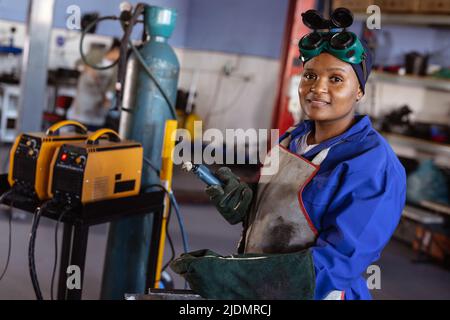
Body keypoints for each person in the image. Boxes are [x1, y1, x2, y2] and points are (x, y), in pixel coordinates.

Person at [170, 10, 406, 300]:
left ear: (359, 91)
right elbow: (287, 211)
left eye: (336, 79)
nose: (317, 87)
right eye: (310, 75)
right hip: (264, 288)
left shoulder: (372, 164)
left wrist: (237, 279)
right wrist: (249, 204)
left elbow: (341, 263)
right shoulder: (292, 138)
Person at [67, 38, 120, 131]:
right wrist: (87, 68)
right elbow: (77, 64)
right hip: (83, 98)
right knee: (77, 129)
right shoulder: (96, 54)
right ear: (115, 50)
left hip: (98, 102)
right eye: (120, 53)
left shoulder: (115, 67)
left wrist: (107, 99)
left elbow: (111, 85)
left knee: (92, 132)